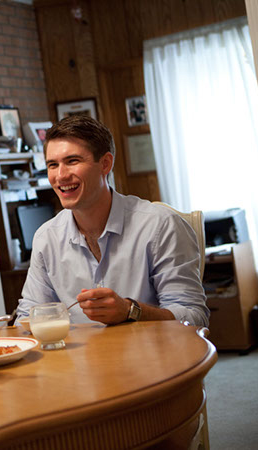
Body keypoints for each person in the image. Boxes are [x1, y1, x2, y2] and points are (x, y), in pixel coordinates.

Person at [15, 115, 209, 326]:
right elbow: (28, 316)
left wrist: (130, 310)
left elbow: (194, 318)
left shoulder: (160, 226)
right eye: (53, 165)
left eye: (72, 161)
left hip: (149, 355)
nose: (60, 176)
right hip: (78, 358)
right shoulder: (46, 237)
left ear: (105, 164)